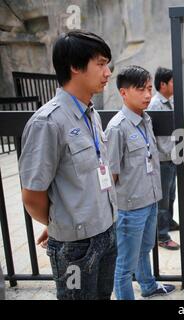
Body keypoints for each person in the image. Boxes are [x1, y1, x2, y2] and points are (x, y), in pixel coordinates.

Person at [19, 30, 117, 300]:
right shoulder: (48, 122)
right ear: (75, 67)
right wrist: (60, 221)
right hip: (75, 248)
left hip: (106, 232)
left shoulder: (91, 114)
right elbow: (32, 195)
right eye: (100, 63)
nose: (107, 72)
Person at [106, 66, 175, 300]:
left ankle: (148, 286)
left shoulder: (146, 119)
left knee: (145, 250)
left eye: (148, 89)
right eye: (140, 89)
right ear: (123, 93)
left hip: (150, 200)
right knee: (124, 265)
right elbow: (111, 175)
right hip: (130, 208)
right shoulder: (117, 128)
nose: (147, 95)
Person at [148, 67, 180, 250]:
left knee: (171, 195)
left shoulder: (170, 101)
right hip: (162, 160)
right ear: (163, 84)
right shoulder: (155, 105)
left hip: (172, 158)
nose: (175, 85)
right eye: (172, 82)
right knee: (162, 200)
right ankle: (161, 235)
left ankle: (168, 222)